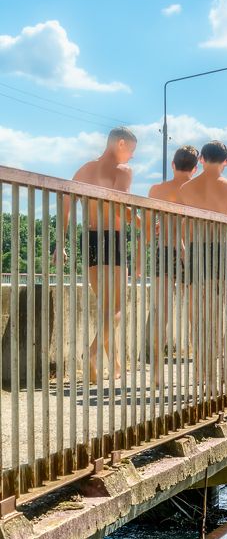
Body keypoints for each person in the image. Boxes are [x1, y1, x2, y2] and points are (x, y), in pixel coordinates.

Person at [177, 141, 227, 391]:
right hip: (225, 253)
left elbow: (182, 228)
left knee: (203, 320)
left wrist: (186, 259)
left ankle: (205, 378)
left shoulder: (186, 189)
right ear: (226, 161)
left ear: (202, 159)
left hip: (198, 253)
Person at [68, 127, 137, 381]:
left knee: (106, 308)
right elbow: (119, 206)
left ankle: (116, 365)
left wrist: (60, 244)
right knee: (117, 307)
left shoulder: (83, 170)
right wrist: (140, 222)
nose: (131, 157)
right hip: (113, 238)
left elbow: (67, 204)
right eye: (131, 151)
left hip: (90, 239)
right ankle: (92, 353)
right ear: (120, 144)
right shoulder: (123, 171)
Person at [147, 145, 199, 385]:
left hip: (163, 251)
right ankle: (199, 370)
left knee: (160, 312)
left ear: (173, 164)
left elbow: (147, 229)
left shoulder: (157, 189)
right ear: (196, 167)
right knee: (194, 314)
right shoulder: (197, 190)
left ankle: (157, 373)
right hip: (191, 253)